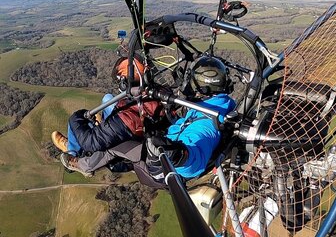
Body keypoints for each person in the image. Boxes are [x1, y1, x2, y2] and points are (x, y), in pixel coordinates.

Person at [60, 56, 236, 185]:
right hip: (162, 141)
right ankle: (79, 147)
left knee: (113, 148)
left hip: (161, 169)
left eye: (189, 83)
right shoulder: (215, 104)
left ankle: (82, 164)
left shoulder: (207, 123)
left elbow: (197, 154)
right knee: (108, 100)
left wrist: (179, 155)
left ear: (200, 89)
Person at [51, 54, 165, 177]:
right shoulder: (158, 96)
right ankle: (103, 125)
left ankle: (73, 152)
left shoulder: (128, 121)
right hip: (136, 117)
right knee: (108, 98)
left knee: (75, 123)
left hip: (128, 128)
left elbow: (90, 142)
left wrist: (78, 116)